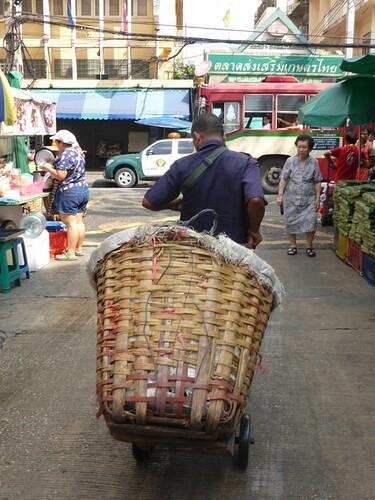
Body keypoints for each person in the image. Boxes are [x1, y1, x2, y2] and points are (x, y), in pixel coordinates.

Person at [142, 113, 266, 247]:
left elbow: (149, 202)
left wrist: (171, 205)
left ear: (197, 136)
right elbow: (256, 201)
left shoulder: (182, 165)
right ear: (224, 138)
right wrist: (254, 231)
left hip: (194, 250)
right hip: (234, 249)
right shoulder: (246, 163)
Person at [40, 130, 89, 261]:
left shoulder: (66, 155)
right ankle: (78, 249)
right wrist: (54, 160)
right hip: (82, 189)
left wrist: (48, 168)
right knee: (79, 222)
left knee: (70, 224)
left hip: (70, 192)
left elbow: (61, 175)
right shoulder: (77, 153)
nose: (55, 144)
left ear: (62, 143)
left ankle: (70, 253)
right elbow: (70, 165)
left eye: (56, 141)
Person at [276, 135, 322, 257]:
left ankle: (309, 246)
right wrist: (280, 195)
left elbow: (317, 181)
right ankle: (293, 246)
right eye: (299, 147)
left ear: (310, 149)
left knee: (311, 221)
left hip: (309, 198)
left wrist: (317, 198)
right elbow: (283, 179)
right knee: (290, 221)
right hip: (291, 198)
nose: (301, 150)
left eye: (304, 147)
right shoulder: (290, 161)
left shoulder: (314, 162)